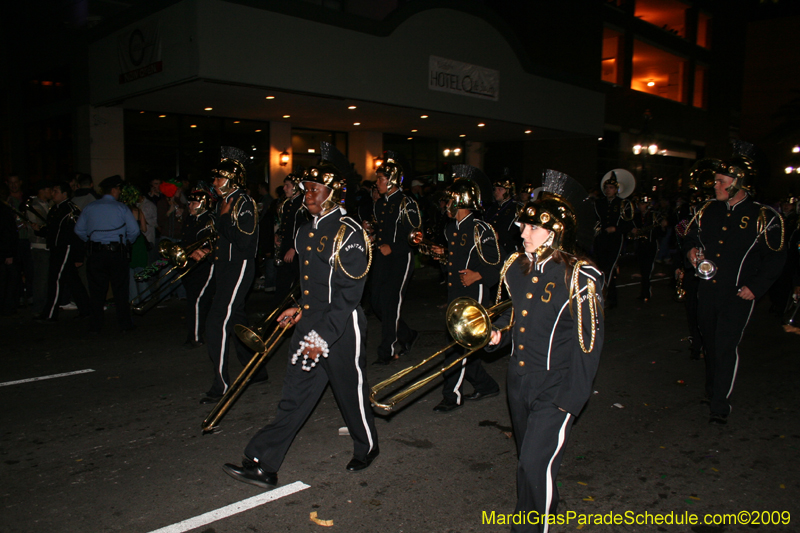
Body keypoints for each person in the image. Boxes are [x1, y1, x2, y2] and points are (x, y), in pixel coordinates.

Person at [222, 142, 378, 489]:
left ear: (333, 192)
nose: (308, 194)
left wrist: (320, 337)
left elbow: (348, 298)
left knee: (349, 392)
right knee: (295, 394)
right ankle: (263, 463)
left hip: (341, 328)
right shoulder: (306, 230)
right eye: (306, 188)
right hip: (312, 322)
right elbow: (314, 286)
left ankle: (366, 446)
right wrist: (300, 309)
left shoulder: (349, 232)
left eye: (315, 189)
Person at [486, 169, 603, 533]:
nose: (523, 233)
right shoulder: (515, 269)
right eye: (524, 226)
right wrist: (497, 337)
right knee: (529, 461)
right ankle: (542, 504)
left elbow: (589, 344)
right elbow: (513, 322)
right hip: (519, 382)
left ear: (555, 232)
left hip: (556, 388)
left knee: (532, 464)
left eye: (532, 228)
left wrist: (572, 398)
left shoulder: (580, 276)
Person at [685, 143, 786, 425]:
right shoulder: (707, 209)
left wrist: (756, 286)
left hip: (737, 295)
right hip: (707, 289)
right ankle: (712, 389)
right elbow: (689, 233)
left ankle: (720, 403)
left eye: (721, 181)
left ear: (738, 182)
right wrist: (691, 250)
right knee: (710, 341)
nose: (714, 184)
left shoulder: (764, 216)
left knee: (726, 344)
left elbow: (776, 258)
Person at [191, 151, 263, 404]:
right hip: (224, 265)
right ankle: (257, 369)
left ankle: (221, 384)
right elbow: (222, 239)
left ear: (233, 180)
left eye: (221, 178)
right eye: (217, 178)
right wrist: (206, 251)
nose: (216, 183)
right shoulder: (224, 202)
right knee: (236, 320)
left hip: (239, 266)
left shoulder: (243, 202)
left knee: (217, 320)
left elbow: (245, 242)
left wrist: (222, 219)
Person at [430, 165, 501, 413]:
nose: (446, 204)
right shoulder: (451, 228)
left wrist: (478, 274)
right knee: (462, 344)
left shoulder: (481, 228)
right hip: (455, 293)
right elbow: (457, 260)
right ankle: (486, 385)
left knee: (458, 347)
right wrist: (443, 255)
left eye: (450, 199)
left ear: (461, 200)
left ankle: (452, 395)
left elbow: (497, 264)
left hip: (475, 294)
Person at [370, 151, 421, 365]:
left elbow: (416, 236)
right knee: (376, 302)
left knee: (391, 304)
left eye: (381, 179)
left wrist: (394, 248)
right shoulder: (380, 204)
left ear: (391, 181)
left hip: (400, 258)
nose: (377, 182)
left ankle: (387, 351)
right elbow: (383, 229)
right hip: (382, 257)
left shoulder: (406, 203)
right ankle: (407, 334)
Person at [74, 175, 141, 333]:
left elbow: (78, 230)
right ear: (113, 190)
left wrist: (90, 240)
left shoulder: (90, 207)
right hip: (117, 253)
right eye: (118, 189)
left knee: (97, 292)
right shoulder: (121, 208)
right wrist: (126, 242)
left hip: (96, 254)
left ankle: (95, 325)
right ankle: (124, 324)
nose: (119, 192)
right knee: (120, 290)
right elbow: (134, 231)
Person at [36, 181, 91, 322]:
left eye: (56, 191)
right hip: (57, 247)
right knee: (72, 280)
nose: (52, 194)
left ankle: (50, 313)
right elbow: (53, 230)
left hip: (66, 248)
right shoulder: (55, 209)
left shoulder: (71, 210)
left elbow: (77, 234)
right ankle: (86, 309)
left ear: (64, 194)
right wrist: (41, 231)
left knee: (55, 279)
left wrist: (79, 255)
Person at [180, 189, 216, 348]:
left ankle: (195, 336)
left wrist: (206, 251)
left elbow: (218, 242)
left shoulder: (210, 220)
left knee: (198, 300)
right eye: (190, 202)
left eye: (194, 203)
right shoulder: (189, 219)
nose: (190, 205)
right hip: (191, 265)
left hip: (206, 265)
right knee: (194, 300)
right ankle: (198, 331)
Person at [593, 173, 633, 308]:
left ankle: (604, 295)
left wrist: (616, 229)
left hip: (615, 239)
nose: (608, 190)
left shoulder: (623, 204)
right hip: (601, 238)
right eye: (606, 187)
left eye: (611, 187)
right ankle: (608, 295)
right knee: (600, 266)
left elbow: (628, 224)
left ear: (616, 190)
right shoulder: (599, 203)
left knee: (610, 267)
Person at [273, 173, 308, 301]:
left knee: (297, 282)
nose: (284, 188)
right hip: (285, 247)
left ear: (295, 188)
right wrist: (278, 235)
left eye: (287, 186)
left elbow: (303, 229)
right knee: (282, 282)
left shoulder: (303, 205)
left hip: (296, 251)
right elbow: (284, 225)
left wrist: (294, 248)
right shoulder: (287, 204)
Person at [630, 195, 666, 301]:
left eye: (643, 204)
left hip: (651, 244)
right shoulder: (636, 216)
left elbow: (661, 232)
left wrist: (663, 226)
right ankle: (644, 292)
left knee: (647, 269)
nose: (641, 206)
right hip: (641, 244)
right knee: (643, 269)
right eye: (640, 204)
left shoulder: (654, 215)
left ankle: (646, 292)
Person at [28, 180, 54, 314]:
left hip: (47, 245)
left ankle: (45, 306)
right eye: (49, 190)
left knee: (46, 278)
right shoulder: (35, 205)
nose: (51, 193)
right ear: (42, 190)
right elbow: (35, 226)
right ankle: (39, 308)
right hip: (39, 245)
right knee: (41, 279)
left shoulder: (49, 204)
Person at [484, 168, 521, 255]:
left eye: (500, 189)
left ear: (509, 191)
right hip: (491, 248)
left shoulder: (516, 208)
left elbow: (517, 233)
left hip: (507, 250)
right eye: (495, 189)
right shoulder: (491, 208)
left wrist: (500, 235)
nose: (496, 192)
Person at [0, 184, 20, 316]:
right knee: (8, 280)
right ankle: (8, 307)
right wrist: (9, 253)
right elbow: (7, 232)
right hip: (5, 251)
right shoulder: (5, 210)